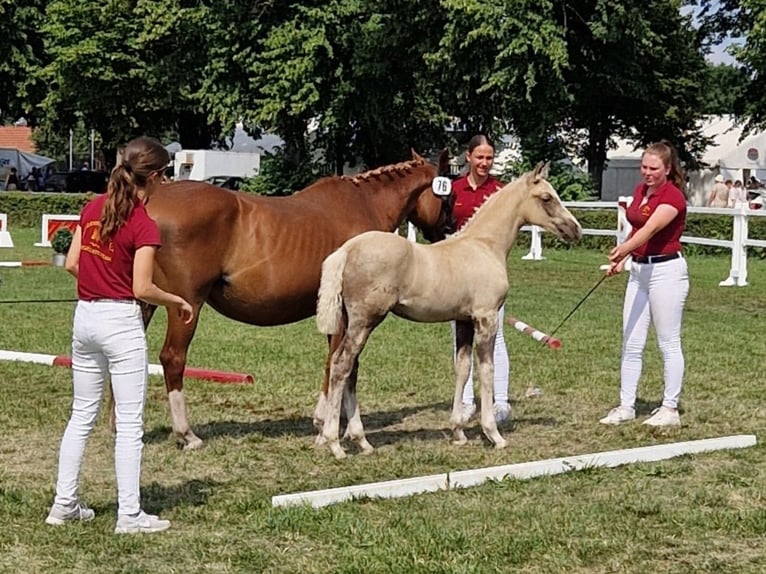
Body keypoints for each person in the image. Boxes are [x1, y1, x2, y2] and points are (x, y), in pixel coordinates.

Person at [46, 136, 194, 534]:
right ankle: (129, 514)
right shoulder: (143, 223)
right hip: (121, 324)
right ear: (158, 176)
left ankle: (64, 503)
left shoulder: (92, 208)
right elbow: (143, 288)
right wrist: (175, 300)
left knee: (81, 415)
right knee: (130, 424)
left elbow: (72, 263)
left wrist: (99, 283)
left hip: (85, 318)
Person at [601, 140, 689, 428]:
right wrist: (623, 259)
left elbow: (652, 229)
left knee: (668, 341)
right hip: (639, 272)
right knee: (632, 340)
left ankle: (670, 408)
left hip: (667, 271)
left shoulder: (673, 197)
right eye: (644, 167)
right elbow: (636, 228)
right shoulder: (641, 192)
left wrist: (623, 250)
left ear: (667, 169)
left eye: (653, 168)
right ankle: (626, 405)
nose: (647, 173)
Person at [450, 134, 511, 425]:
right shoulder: (453, 189)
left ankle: (501, 402)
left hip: (487, 275)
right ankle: (465, 401)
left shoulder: (500, 192)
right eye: (479, 157)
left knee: (494, 337)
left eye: (489, 158)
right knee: (460, 338)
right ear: (468, 157)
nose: (484, 163)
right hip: (458, 274)